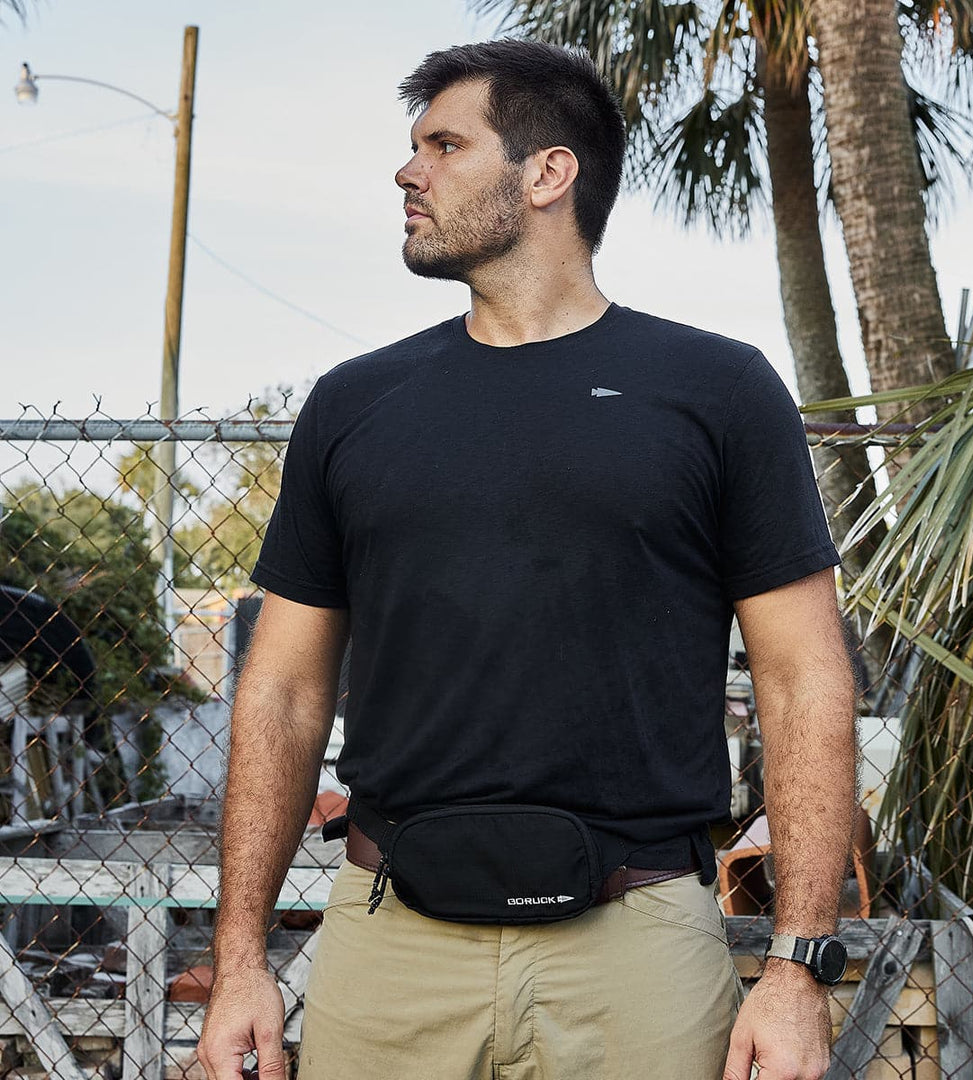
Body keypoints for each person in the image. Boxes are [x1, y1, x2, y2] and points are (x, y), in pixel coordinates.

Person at [197, 39, 856, 1080]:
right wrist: (240, 959)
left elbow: (804, 677)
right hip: (388, 945)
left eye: (444, 145)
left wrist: (797, 967)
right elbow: (281, 690)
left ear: (548, 172)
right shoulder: (354, 405)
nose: (408, 173)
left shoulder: (718, 391)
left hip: (637, 946)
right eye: (412, 148)